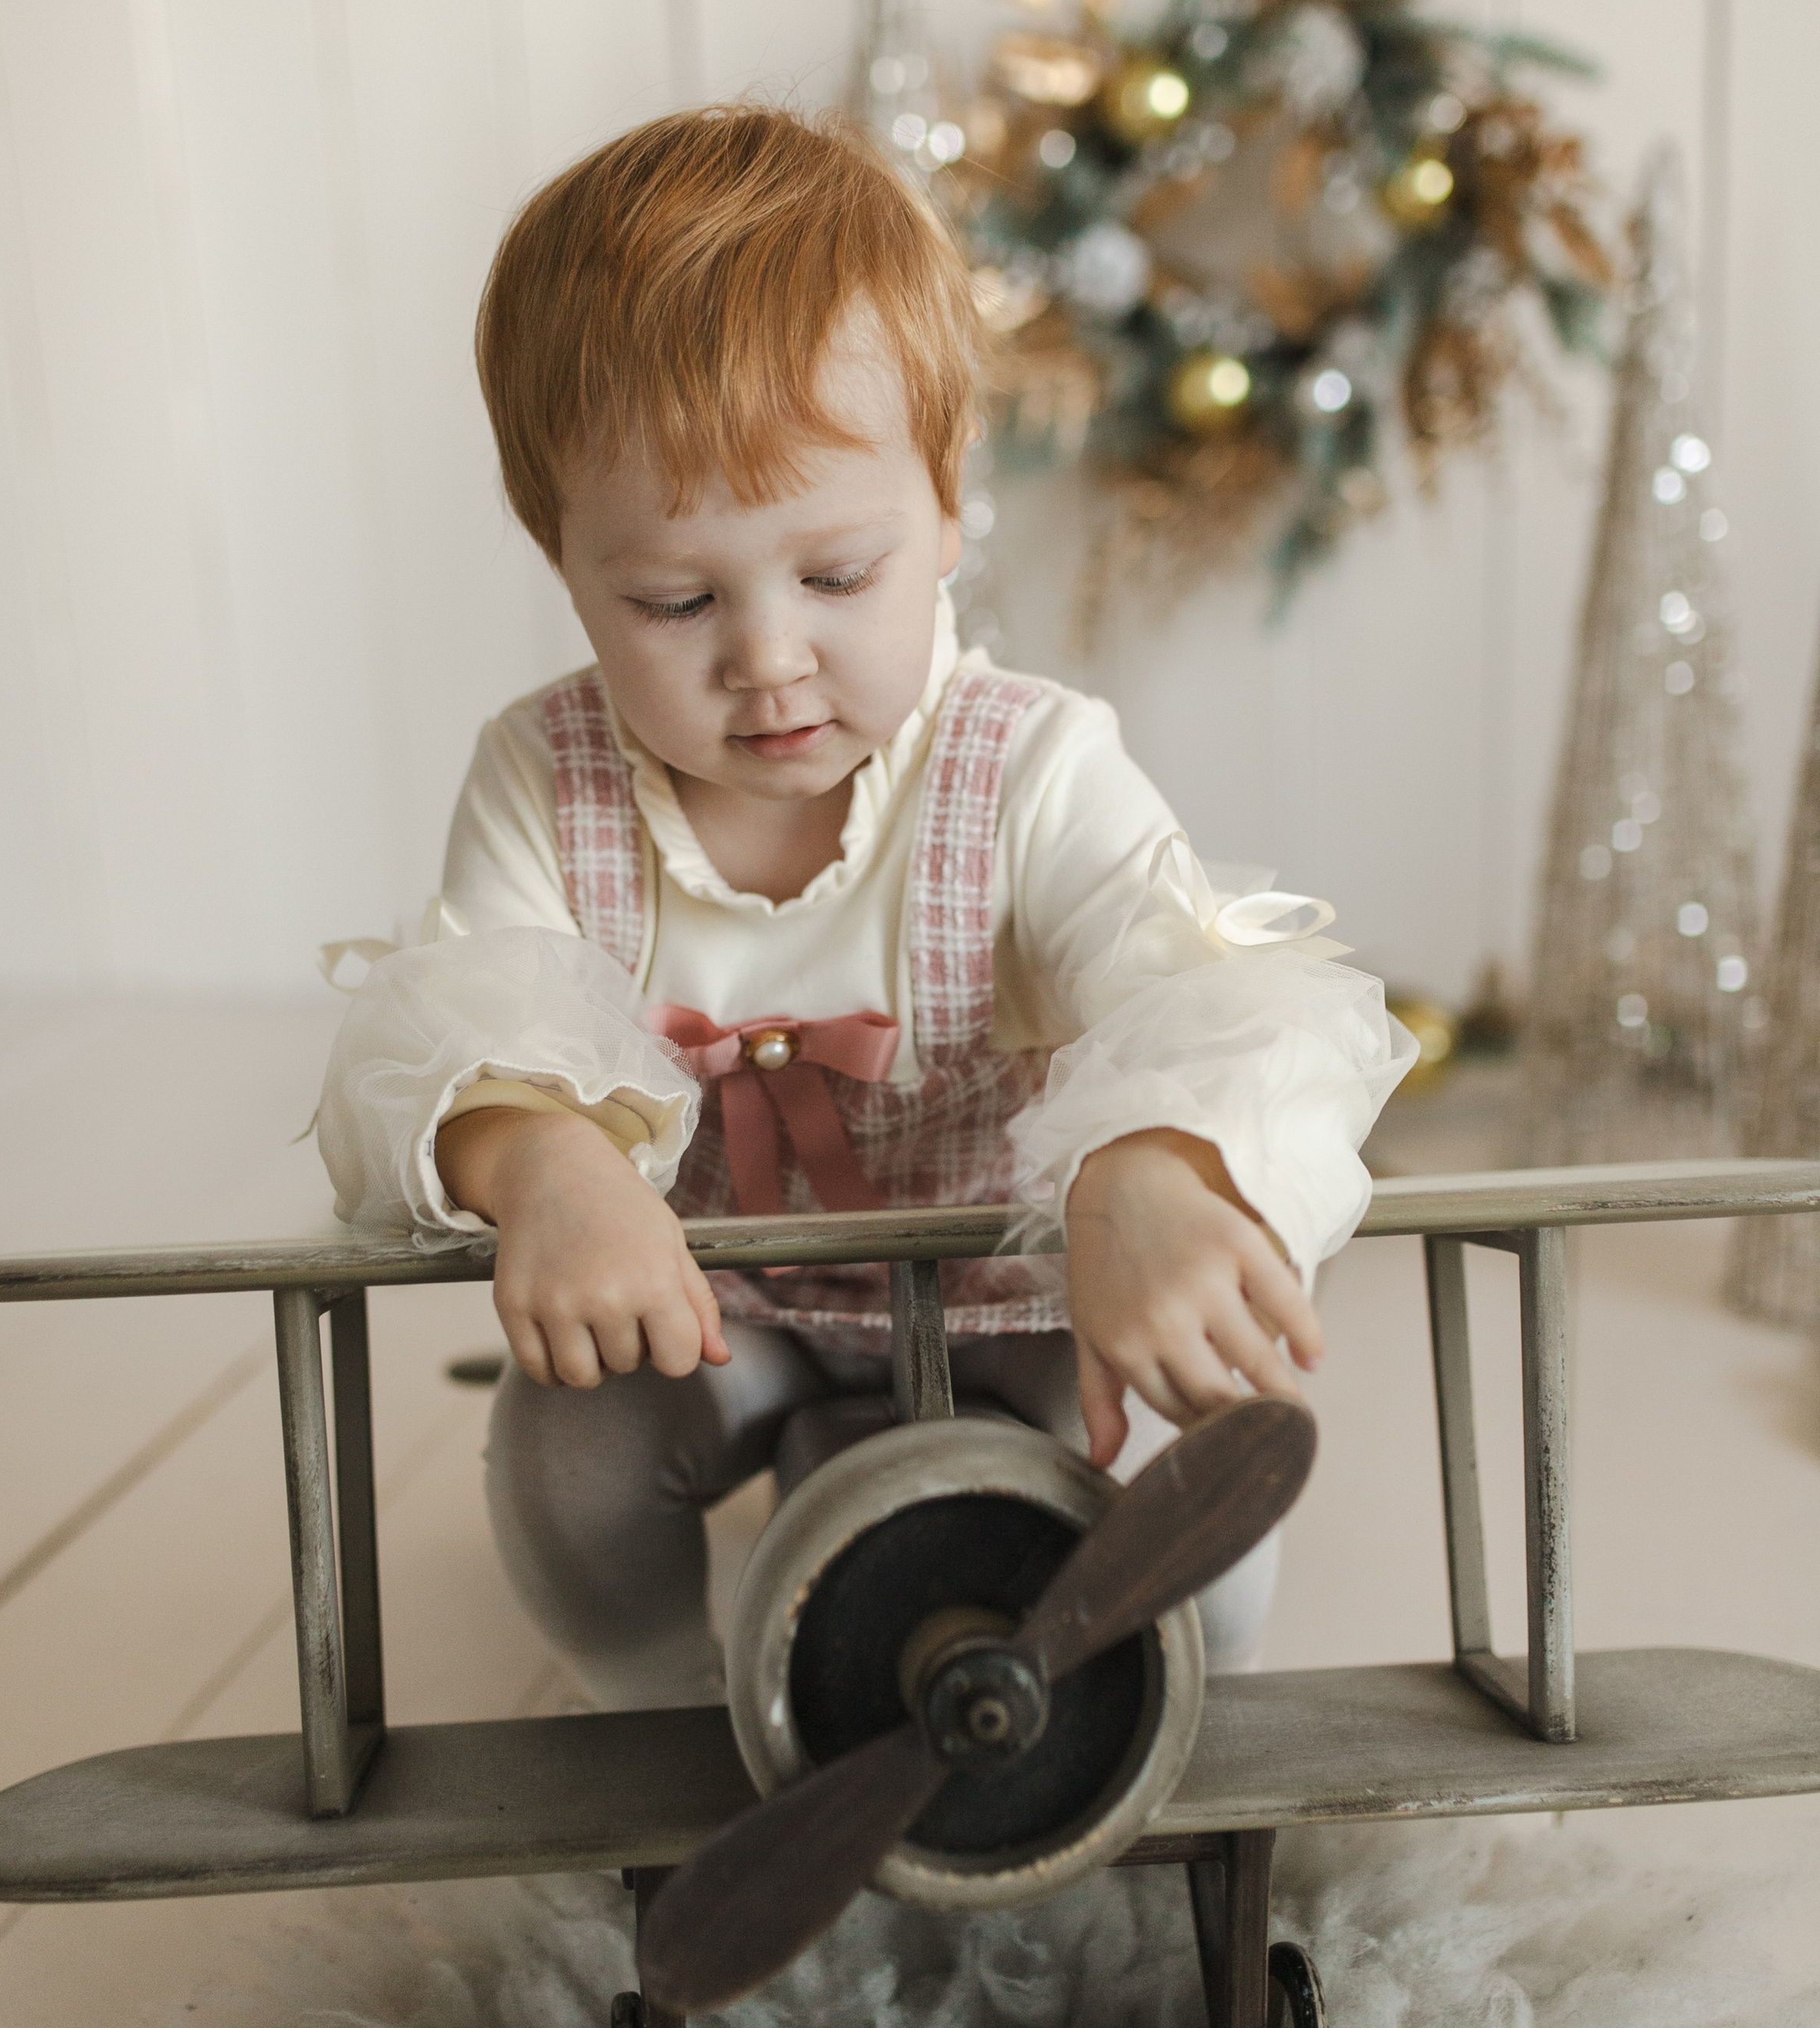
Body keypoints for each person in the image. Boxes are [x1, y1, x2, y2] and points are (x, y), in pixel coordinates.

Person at [317, 105, 1413, 1709]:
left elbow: (1200, 991)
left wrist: (1156, 1174)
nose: (767, 656)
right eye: (674, 600)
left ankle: (1169, 1707)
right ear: (563, 556)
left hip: (1022, 1292)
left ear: (949, 503)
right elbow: (465, 1018)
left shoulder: (1026, 764)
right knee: (565, 1459)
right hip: (708, 1307)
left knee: (1199, 1416)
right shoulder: (545, 779)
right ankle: (668, 1726)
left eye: (835, 576)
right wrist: (544, 1162)